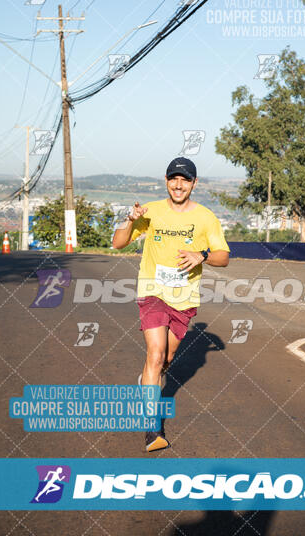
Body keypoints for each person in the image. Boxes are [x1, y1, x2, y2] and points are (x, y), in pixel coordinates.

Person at [112, 157, 230, 452]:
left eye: (185, 180)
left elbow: (223, 257)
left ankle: (147, 381)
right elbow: (118, 243)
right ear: (166, 180)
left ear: (194, 183)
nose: (179, 185)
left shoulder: (205, 217)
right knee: (155, 353)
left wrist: (201, 255)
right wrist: (129, 220)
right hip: (152, 289)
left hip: (184, 296)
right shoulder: (150, 211)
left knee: (166, 358)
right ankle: (152, 429)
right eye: (174, 179)